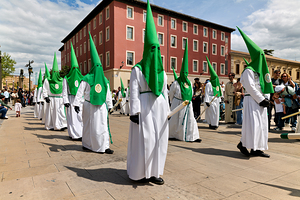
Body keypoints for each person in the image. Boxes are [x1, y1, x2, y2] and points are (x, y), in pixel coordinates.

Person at [127, 0, 169, 185]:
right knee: (145, 140)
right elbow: (133, 91)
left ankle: (155, 172)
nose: (156, 52)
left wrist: (167, 111)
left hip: (159, 107)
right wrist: (134, 112)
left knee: (158, 140)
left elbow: (165, 93)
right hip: (143, 108)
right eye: (152, 49)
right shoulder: (137, 69)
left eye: (157, 49)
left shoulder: (163, 73)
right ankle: (139, 172)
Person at [73, 32, 113, 154]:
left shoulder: (104, 80)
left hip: (101, 107)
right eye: (96, 66)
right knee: (88, 126)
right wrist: (76, 104)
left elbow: (108, 94)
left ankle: (104, 146)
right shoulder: (87, 78)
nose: (98, 68)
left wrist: (110, 105)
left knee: (102, 127)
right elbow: (80, 92)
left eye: (99, 66)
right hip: (89, 105)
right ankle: (87, 144)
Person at [236, 27, 273, 158]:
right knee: (253, 125)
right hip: (252, 101)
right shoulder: (248, 71)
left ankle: (257, 148)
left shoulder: (262, 73)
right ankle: (243, 143)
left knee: (262, 126)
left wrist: (266, 98)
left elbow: (266, 86)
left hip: (261, 102)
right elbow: (251, 87)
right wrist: (261, 99)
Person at [169, 42, 200, 142]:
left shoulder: (190, 83)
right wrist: (172, 102)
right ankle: (173, 135)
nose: (185, 74)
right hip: (178, 103)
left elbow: (191, 92)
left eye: (187, 73)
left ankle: (192, 136)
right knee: (175, 120)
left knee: (190, 120)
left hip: (187, 104)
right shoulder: (176, 83)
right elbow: (171, 94)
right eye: (184, 72)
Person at [63, 43, 84, 140]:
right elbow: (64, 91)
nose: (75, 70)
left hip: (80, 100)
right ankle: (74, 134)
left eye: (77, 68)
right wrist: (66, 101)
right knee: (72, 118)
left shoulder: (82, 78)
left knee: (80, 117)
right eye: (74, 68)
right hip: (71, 99)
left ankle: (81, 133)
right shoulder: (66, 78)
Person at [43, 53, 67, 130]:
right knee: (51, 113)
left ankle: (61, 125)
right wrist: (46, 96)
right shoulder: (48, 80)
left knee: (60, 113)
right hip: (51, 99)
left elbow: (64, 90)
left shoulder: (62, 80)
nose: (55, 74)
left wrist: (65, 99)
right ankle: (51, 125)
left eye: (57, 72)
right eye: (54, 72)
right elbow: (45, 89)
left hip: (60, 99)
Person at [204, 57, 221, 129]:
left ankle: (215, 124)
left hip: (216, 100)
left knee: (216, 113)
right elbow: (207, 93)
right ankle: (211, 123)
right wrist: (207, 101)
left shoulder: (217, 85)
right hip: (211, 100)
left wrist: (219, 100)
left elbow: (219, 93)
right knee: (211, 112)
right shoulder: (209, 84)